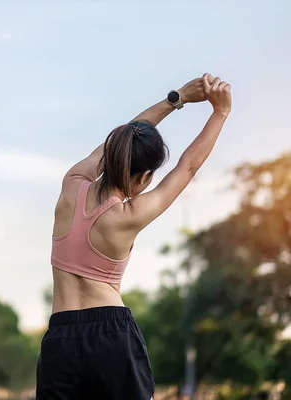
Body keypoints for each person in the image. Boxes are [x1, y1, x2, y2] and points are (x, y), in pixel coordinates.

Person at [36, 73, 232, 399]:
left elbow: (123, 137)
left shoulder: (72, 183)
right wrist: (219, 112)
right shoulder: (127, 216)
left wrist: (177, 98)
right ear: (142, 178)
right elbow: (187, 168)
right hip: (111, 335)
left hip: (60, 338)